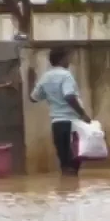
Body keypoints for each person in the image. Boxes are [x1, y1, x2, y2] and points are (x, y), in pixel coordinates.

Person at [28, 47, 92, 175]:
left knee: (64, 162)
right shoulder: (66, 75)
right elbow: (69, 96)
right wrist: (83, 114)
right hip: (72, 124)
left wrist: (31, 82)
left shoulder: (45, 77)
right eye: (67, 58)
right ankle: (72, 191)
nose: (69, 61)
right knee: (74, 162)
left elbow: (33, 98)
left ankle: (66, 191)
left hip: (56, 124)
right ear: (62, 59)